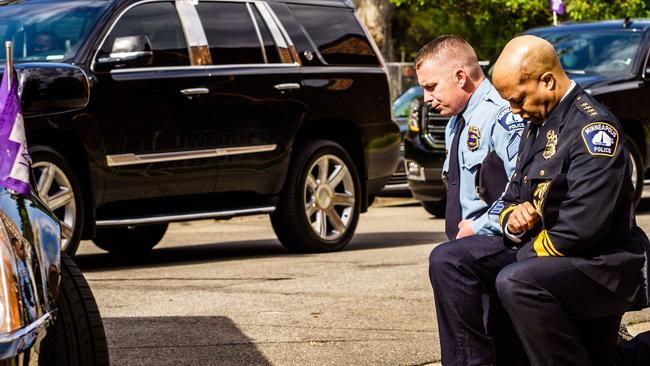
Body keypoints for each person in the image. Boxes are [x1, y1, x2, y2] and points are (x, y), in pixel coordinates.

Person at [491, 35, 648, 366]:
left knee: (515, 280)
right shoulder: (538, 122)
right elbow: (513, 195)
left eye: (518, 100)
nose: (514, 111)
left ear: (547, 81)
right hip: (556, 260)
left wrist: (521, 253)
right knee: (458, 259)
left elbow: (581, 227)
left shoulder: (595, 129)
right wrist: (514, 220)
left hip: (603, 265)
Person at [418, 36, 528, 365]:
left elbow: (521, 188)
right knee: (489, 328)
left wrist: (481, 225)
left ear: (461, 77)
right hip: (469, 243)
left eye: (432, 86)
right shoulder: (457, 121)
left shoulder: (500, 115)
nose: (427, 98)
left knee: (446, 263)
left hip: (503, 239)